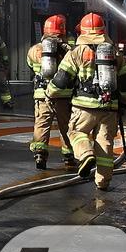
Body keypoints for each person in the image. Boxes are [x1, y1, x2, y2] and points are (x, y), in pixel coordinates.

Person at [49, 13, 126, 191]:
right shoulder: (115, 52)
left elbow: (61, 80)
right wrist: (124, 103)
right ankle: (103, 182)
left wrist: (50, 92)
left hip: (83, 107)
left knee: (75, 132)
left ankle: (86, 155)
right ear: (103, 30)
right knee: (105, 143)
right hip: (110, 108)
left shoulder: (77, 52)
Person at [27, 15, 75, 169]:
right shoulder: (68, 50)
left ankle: (40, 154)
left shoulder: (35, 50)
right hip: (63, 96)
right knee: (66, 126)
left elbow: (30, 64)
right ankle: (69, 158)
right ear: (63, 30)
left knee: (41, 124)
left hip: (42, 96)